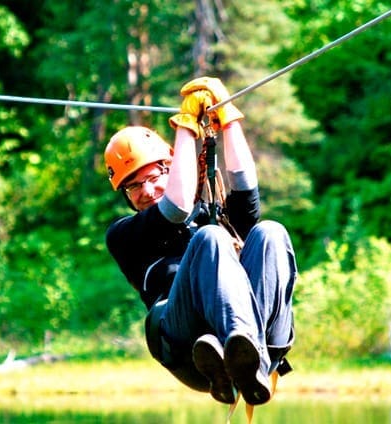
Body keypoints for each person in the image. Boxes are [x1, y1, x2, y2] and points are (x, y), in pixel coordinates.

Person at [103, 77, 296, 406]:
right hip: (187, 346)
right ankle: (235, 355)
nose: (146, 191)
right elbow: (176, 207)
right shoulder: (125, 235)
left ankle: (250, 362)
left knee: (270, 232)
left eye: (153, 177)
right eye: (133, 186)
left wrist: (228, 119)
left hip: (259, 344)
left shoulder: (211, 212)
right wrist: (187, 126)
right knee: (209, 238)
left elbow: (246, 188)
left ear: (171, 168)